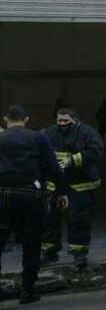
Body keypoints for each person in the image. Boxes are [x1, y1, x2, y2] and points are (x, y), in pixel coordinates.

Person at [0, 105, 68, 304]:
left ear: (6, 120)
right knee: (31, 244)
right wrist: (62, 192)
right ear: (26, 119)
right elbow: (54, 167)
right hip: (30, 197)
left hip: (1, 197)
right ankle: (27, 292)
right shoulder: (38, 138)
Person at [42, 108, 104, 268]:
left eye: (65, 121)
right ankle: (49, 253)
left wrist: (72, 161)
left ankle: (79, 255)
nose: (62, 124)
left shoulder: (88, 133)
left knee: (78, 220)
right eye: (59, 121)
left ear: (75, 120)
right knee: (49, 220)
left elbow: (96, 151)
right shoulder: (49, 133)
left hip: (80, 184)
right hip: (54, 185)